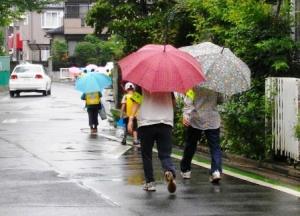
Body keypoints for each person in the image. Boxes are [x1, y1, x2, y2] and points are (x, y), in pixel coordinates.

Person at [128, 87, 177, 193]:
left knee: (147, 155)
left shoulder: (142, 84)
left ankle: (150, 183)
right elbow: (173, 103)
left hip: (146, 124)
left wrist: (131, 119)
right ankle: (169, 170)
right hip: (165, 123)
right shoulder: (168, 84)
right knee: (165, 154)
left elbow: (136, 101)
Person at [180, 86, 223, 183]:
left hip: (196, 119)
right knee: (215, 147)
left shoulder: (193, 83)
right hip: (212, 119)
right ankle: (216, 171)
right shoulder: (216, 83)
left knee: (191, 145)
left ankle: (186, 170)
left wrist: (185, 115)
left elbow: (188, 102)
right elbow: (221, 100)